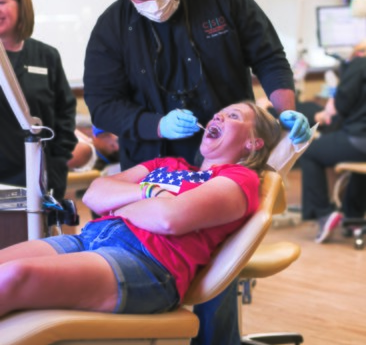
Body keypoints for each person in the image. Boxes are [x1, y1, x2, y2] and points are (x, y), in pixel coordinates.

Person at [83, 0, 310, 345]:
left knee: (217, 267)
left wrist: (285, 111)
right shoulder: (113, 28)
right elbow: (104, 104)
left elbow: (269, 55)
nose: (153, 2)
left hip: (227, 163)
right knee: (164, 260)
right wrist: (156, 125)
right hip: (157, 160)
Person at [0, 101, 282, 319]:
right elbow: (96, 194)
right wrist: (150, 194)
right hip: (91, 239)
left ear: (253, 143)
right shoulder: (169, 165)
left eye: (233, 116)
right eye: (219, 113)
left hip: (147, 263)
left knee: (12, 277)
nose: (218, 116)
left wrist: (122, 204)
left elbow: (169, 219)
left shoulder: (239, 179)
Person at [0, 0, 77, 201]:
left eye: (2, 1)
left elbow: (64, 119)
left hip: (38, 184)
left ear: (22, 5)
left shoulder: (46, 57)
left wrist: (53, 173)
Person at [300, 39, 366, 243]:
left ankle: (323, 214)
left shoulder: (359, 64)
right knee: (358, 163)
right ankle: (354, 218)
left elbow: (343, 106)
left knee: (310, 152)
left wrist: (329, 110)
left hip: (360, 140)